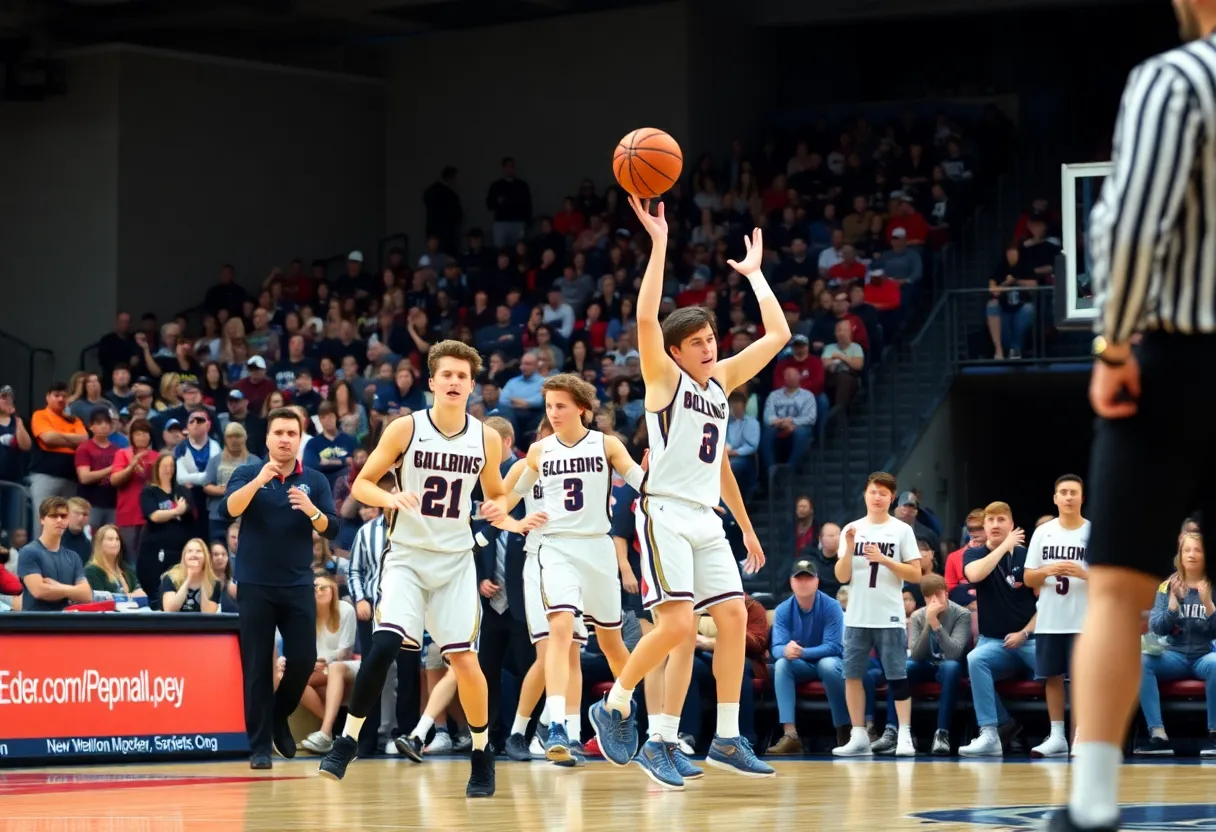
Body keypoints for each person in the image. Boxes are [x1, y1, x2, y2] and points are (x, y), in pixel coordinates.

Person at [1054, 2, 1216, 829]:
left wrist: (1113, 345)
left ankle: (1090, 806)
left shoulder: (1177, 77)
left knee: (1118, 589)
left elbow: (1129, 224)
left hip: (1182, 359)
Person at [589, 196, 788, 788]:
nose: (709, 347)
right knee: (675, 629)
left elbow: (777, 333)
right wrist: (658, 245)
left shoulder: (721, 384)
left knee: (731, 617)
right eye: (697, 341)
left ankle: (726, 735)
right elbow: (647, 320)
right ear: (677, 353)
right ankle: (617, 704)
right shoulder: (663, 378)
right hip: (664, 515)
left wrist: (755, 277)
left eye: (711, 338)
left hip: (706, 516)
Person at [316, 340, 545, 799]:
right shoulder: (405, 428)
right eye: (448, 375)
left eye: (463, 376)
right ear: (433, 381)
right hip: (406, 556)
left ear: (472, 384)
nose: (455, 382)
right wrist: (390, 497)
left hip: (456, 562)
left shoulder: (485, 437)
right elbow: (362, 482)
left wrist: (500, 510)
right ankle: (347, 741)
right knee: (382, 647)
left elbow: (496, 492)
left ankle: (482, 756)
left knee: (463, 660)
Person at [510, 373, 647, 764]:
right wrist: (506, 520)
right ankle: (556, 725)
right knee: (560, 630)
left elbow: (639, 480)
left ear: (582, 408)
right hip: (556, 549)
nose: (553, 413)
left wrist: (667, 487)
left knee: (612, 643)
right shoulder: (538, 452)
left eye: (561, 406)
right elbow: (509, 496)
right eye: (549, 406)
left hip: (597, 549)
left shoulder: (606, 444)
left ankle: (622, 709)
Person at [221, 407, 339, 770]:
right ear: (268, 439)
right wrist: (259, 480)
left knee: (303, 660)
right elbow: (229, 510)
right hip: (255, 584)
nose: (286, 439)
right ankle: (259, 747)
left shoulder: (315, 480)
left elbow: (332, 528)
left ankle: (278, 715)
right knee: (257, 667)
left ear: (300, 438)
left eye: (292, 433)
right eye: (279, 433)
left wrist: (311, 511)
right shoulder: (246, 472)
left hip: (298, 582)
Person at [501, 417, 591, 763]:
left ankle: (572, 731)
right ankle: (519, 732)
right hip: (539, 558)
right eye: (548, 433)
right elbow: (496, 508)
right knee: (547, 654)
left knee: (573, 653)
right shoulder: (526, 466)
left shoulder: (582, 463)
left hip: (574, 561)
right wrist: (516, 523)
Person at [832, 472, 922, 757]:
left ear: (891, 498)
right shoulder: (852, 528)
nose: (877, 496)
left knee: (897, 675)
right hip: (857, 615)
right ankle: (858, 735)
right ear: (865, 494)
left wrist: (884, 559)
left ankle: (904, 734)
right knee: (852, 675)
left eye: (883, 493)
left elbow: (916, 573)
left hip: (889, 615)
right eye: (873, 491)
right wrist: (847, 551)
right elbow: (842, 575)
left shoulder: (901, 530)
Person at [1022, 474, 1089, 758]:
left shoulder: (1093, 532)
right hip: (1050, 617)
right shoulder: (1043, 532)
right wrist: (1046, 571)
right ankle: (1057, 735)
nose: (1069, 497)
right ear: (1055, 498)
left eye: (1074, 492)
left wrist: (1083, 574)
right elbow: (1027, 578)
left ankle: (1082, 734)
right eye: (1063, 492)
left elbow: (1110, 579)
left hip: (1084, 620)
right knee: (1052, 677)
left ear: (1082, 497)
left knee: (1084, 679)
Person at [766, 559, 846, 754]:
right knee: (783, 664)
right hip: (800, 665)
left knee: (827, 665)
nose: (803, 582)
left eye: (808, 578)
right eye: (798, 578)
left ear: (817, 581)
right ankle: (790, 735)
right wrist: (785, 651)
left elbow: (834, 647)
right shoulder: (783, 609)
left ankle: (844, 731)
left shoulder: (832, 606)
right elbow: (776, 647)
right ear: (791, 582)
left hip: (829, 661)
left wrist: (803, 652)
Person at [18, 496, 92, 612]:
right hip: (35, 624)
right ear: (42, 519)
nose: (59, 520)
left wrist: (59, 587)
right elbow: (39, 591)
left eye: (63, 516)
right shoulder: (28, 552)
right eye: (53, 516)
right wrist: (73, 591)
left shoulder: (73, 557)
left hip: (64, 624)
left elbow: (87, 595)